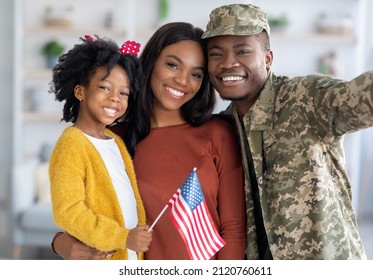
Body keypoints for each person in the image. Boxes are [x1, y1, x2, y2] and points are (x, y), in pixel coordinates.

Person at [201, 3, 373, 259]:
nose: (228, 63)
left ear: (267, 59)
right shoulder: (222, 128)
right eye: (216, 54)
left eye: (242, 51)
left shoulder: (306, 98)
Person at [51, 22, 247, 260]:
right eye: (173, 65)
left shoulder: (218, 133)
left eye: (196, 74)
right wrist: (60, 243)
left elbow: (234, 228)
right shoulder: (114, 141)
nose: (183, 81)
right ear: (152, 62)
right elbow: (79, 209)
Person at [48, 35, 152, 260]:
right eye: (105, 88)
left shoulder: (116, 142)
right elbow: (69, 211)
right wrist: (122, 237)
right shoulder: (72, 144)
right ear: (80, 92)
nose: (115, 98)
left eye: (123, 93)